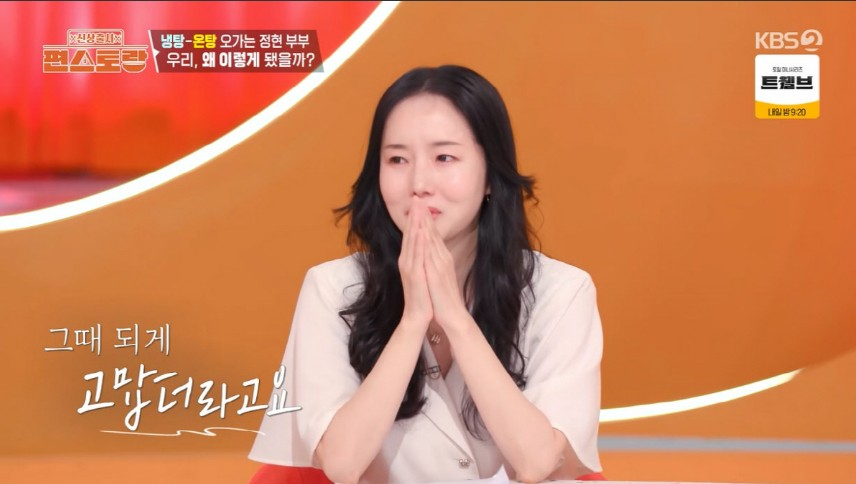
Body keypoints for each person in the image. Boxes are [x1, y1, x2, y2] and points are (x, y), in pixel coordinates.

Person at [249, 65, 603, 483]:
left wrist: (455, 318)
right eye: (397, 159)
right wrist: (413, 321)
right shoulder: (331, 289)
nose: (418, 183)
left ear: (491, 175)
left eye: (444, 158)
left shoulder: (561, 291)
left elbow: (538, 463)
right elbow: (341, 463)